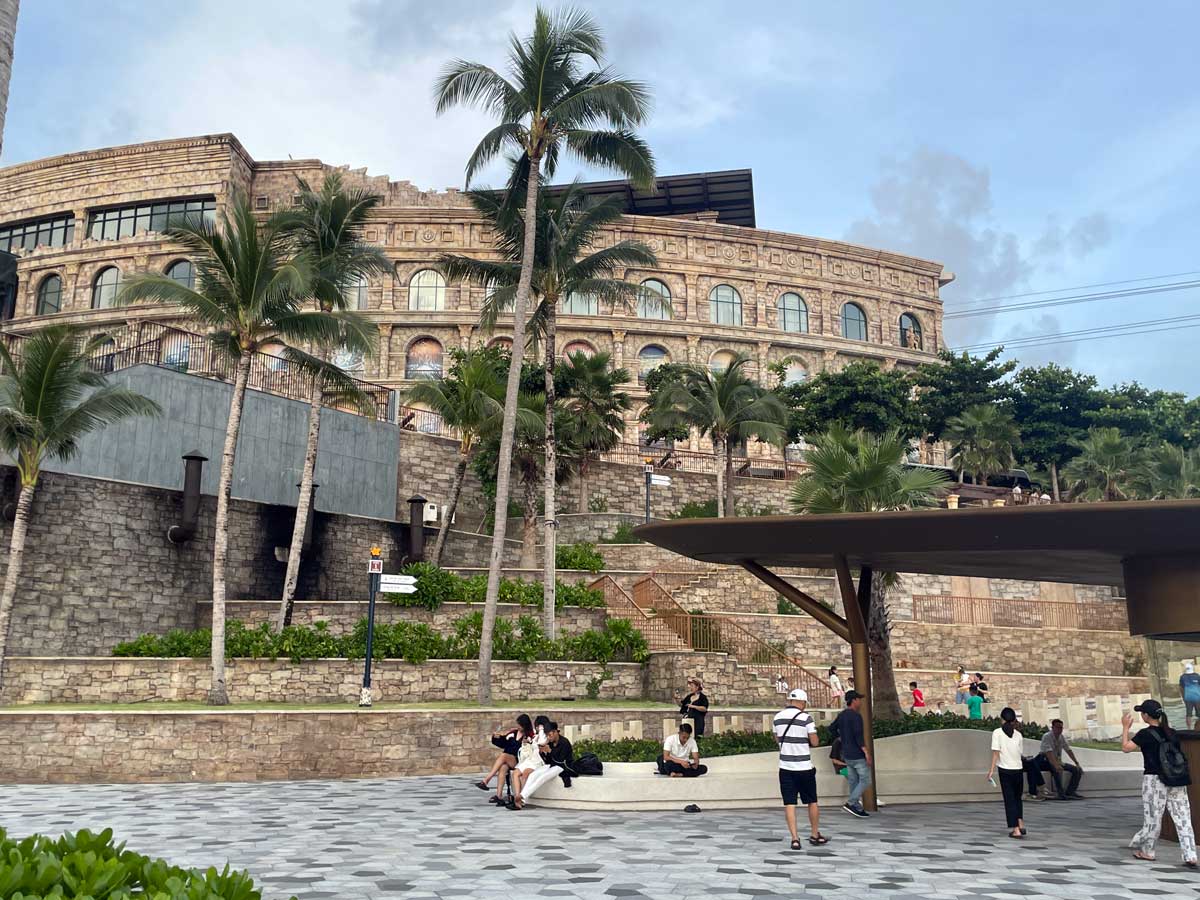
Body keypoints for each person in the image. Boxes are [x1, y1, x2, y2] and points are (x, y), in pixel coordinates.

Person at [1122, 699, 1197, 866]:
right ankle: (1190, 855)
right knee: (1183, 818)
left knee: (1153, 818)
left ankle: (1147, 851)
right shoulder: (1172, 733)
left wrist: (1126, 727)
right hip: (1177, 779)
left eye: (1142, 712)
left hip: (1154, 780)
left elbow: (1126, 748)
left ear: (1146, 715)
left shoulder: (1145, 734)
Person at [774, 688, 828, 849]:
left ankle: (795, 838)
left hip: (785, 767)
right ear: (802, 702)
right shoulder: (806, 718)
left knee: (789, 803)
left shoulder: (777, 717)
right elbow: (815, 742)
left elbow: (777, 739)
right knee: (812, 801)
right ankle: (814, 834)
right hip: (804, 767)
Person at [986, 707, 1028, 839]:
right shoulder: (1018, 735)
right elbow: (1020, 752)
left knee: (1009, 799)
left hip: (1005, 770)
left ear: (1002, 719)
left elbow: (996, 753)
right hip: (1018, 769)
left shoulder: (997, 733)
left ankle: (1016, 829)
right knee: (1017, 798)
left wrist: (991, 770)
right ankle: (1020, 823)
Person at [476, 713, 532, 804]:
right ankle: (499, 796)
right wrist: (496, 738)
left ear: (525, 725)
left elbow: (529, 748)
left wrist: (526, 742)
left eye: (520, 725)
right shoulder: (513, 733)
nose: (518, 727)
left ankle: (486, 780)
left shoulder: (529, 735)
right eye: (518, 724)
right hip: (509, 759)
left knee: (503, 756)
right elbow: (504, 742)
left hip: (519, 760)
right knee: (503, 767)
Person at [836, 690, 872, 819]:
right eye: (859, 699)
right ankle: (851, 802)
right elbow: (858, 736)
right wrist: (866, 752)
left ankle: (856, 807)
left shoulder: (841, 715)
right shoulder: (856, 716)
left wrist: (842, 738)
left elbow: (832, 728)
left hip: (847, 754)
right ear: (854, 700)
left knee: (853, 781)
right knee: (866, 780)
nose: (860, 702)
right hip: (857, 754)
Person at [518, 721, 574, 803]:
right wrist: (543, 752)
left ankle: (522, 797)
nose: (548, 737)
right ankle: (522, 798)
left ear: (555, 732)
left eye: (550, 735)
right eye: (547, 735)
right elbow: (548, 760)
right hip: (552, 765)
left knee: (543, 777)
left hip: (563, 766)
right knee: (533, 775)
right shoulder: (550, 743)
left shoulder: (564, 742)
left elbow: (561, 760)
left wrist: (550, 751)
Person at [1036, 719, 1084, 800]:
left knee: (1076, 770)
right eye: (1057, 727)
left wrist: (1077, 763)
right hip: (1044, 760)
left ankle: (1070, 791)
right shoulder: (1047, 736)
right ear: (1052, 727)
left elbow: (1068, 750)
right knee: (1057, 769)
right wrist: (1056, 765)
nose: (1059, 729)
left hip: (1057, 760)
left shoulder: (1061, 737)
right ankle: (1060, 793)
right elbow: (1048, 753)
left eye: (1061, 728)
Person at [508, 716, 548, 810]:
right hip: (529, 759)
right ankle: (517, 798)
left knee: (525, 774)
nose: (537, 728)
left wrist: (541, 729)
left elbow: (542, 742)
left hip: (538, 761)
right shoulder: (535, 735)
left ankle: (521, 800)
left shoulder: (545, 735)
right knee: (515, 773)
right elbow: (531, 745)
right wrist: (527, 742)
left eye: (539, 726)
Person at [1180, 662, 1200, 730]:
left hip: (1188, 698)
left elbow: (1181, 688)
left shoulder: (1182, 677)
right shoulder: (1197, 676)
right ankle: (1198, 728)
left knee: (1188, 714)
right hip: (1197, 697)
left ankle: (1189, 729)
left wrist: (1183, 698)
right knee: (1199, 714)